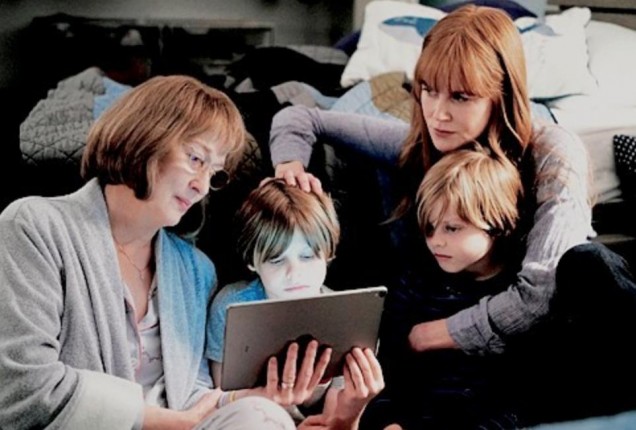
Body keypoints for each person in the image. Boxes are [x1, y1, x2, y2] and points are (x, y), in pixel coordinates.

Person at [268, 3, 636, 426]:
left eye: (460, 97)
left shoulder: (552, 150)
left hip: (548, 344)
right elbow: (303, 117)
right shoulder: (422, 144)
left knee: (588, 264)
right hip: (450, 343)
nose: (438, 113)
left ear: (500, 96)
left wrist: (431, 334)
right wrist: (290, 166)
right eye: (428, 90)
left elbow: (538, 296)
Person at [0, 75, 297, 430]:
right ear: (146, 137)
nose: (202, 186)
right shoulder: (34, 226)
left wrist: (252, 399)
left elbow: (192, 394)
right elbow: (23, 389)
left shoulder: (196, 270)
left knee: (263, 415)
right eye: (196, 159)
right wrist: (166, 423)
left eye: (215, 174)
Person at [205, 178, 384, 429]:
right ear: (252, 261)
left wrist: (347, 413)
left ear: (327, 254)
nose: (294, 273)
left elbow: (334, 420)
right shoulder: (231, 306)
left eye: (307, 257)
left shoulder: (346, 315)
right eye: (277, 260)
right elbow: (222, 397)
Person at [367, 147, 526, 429]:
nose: (436, 241)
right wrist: (389, 421)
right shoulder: (414, 283)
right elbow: (388, 368)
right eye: (430, 227)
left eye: (452, 228)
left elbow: (520, 397)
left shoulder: (515, 295)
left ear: (498, 223)